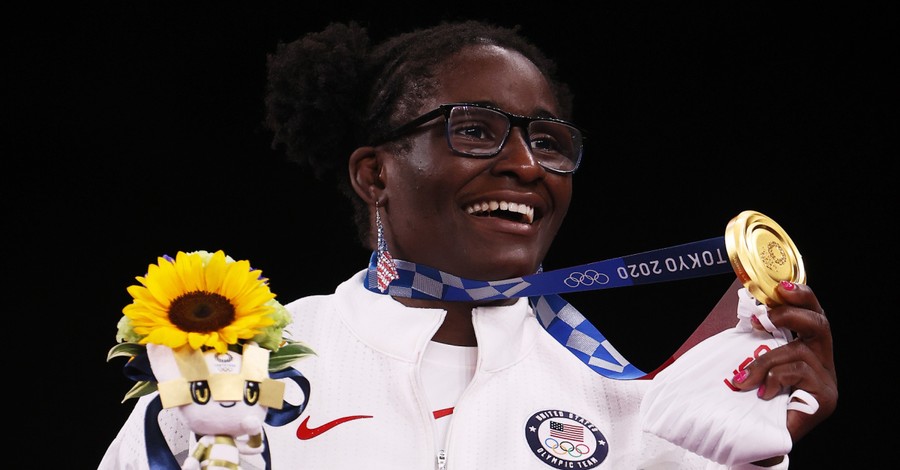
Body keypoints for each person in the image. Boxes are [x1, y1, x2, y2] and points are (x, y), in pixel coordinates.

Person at [99, 20, 837, 469]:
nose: (523, 165)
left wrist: (751, 446)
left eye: (547, 141)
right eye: (476, 130)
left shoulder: (625, 403)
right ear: (375, 173)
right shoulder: (242, 362)